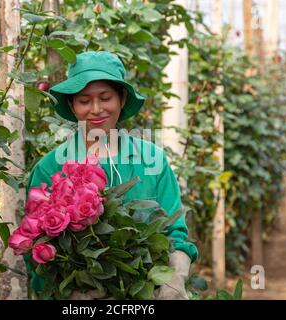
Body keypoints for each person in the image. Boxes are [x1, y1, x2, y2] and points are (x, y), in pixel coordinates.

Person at [24, 51, 198, 299]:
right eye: (84, 100)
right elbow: (36, 250)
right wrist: (72, 293)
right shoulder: (50, 167)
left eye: (105, 98)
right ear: (72, 106)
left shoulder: (152, 161)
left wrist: (175, 277)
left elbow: (175, 235)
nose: (96, 109)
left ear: (122, 98)